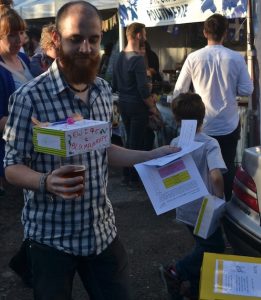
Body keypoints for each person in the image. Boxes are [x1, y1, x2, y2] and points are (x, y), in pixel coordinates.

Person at [3, 2, 179, 299]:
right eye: (76, 39)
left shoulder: (100, 91)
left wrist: (150, 156)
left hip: (101, 233)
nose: (86, 48)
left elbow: (104, 149)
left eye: (94, 39)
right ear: (56, 40)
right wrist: (46, 181)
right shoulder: (28, 98)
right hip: (50, 238)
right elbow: (11, 167)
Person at [173, 13, 253, 200]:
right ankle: (223, 206)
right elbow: (247, 89)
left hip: (200, 124)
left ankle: (200, 204)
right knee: (226, 166)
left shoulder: (193, 57)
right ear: (225, 33)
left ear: (204, 32)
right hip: (228, 124)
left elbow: (179, 91)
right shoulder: (235, 57)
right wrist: (229, 89)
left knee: (198, 167)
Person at [160, 92, 227, 300]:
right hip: (205, 208)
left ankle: (196, 289)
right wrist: (221, 197)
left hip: (184, 205)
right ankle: (176, 271)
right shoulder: (210, 143)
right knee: (214, 247)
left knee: (202, 246)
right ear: (203, 117)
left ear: (177, 120)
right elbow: (216, 176)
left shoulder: (175, 141)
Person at [112, 22, 161, 187]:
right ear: (138, 35)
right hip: (137, 105)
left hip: (123, 103)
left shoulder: (120, 56)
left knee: (129, 141)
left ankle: (128, 176)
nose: (146, 37)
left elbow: (115, 83)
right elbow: (143, 90)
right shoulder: (138, 59)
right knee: (137, 144)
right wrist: (152, 107)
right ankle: (134, 179)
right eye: (145, 33)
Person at [0, 0, 33, 196]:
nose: (18, 40)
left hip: (30, 149)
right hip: (9, 154)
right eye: (10, 35)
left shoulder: (24, 59)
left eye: (20, 33)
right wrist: (33, 126)